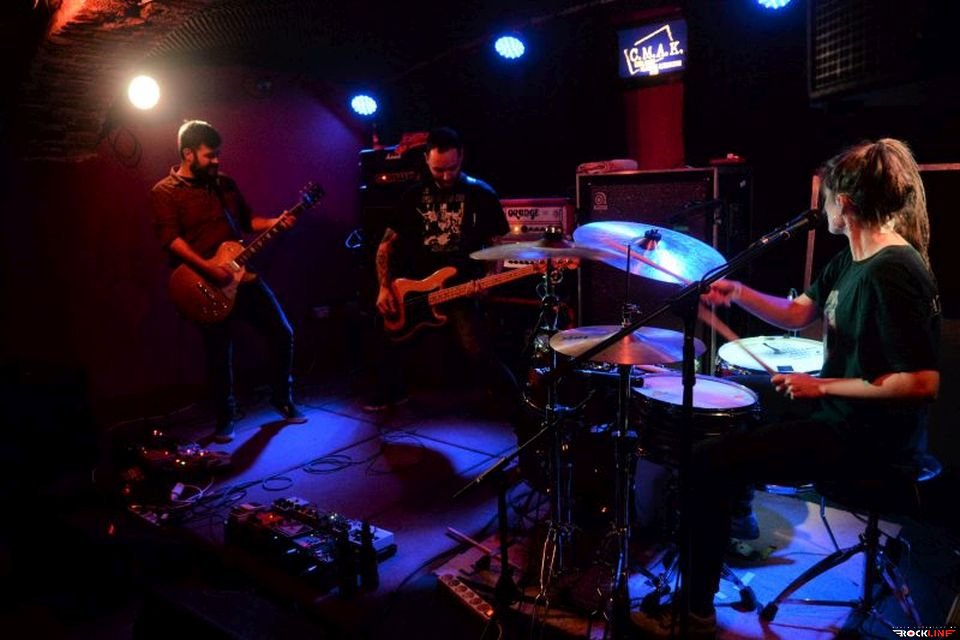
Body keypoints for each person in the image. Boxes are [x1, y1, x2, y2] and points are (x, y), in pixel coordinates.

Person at [630, 138, 941, 637]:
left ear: (845, 203)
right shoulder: (854, 258)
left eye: (827, 197)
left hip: (871, 439)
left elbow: (922, 382)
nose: (823, 207)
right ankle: (733, 521)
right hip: (840, 416)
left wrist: (824, 387)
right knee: (737, 418)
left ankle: (695, 610)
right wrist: (739, 292)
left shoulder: (893, 270)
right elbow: (799, 313)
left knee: (709, 463)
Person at [151, 120, 307, 443]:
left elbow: (247, 221)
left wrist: (275, 222)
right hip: (203, 282)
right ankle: (225, 417)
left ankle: (282, 398)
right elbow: (171, 240)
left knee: (282, 332)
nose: (217, 160)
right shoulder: (164, 192)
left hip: (241, 275)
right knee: (219, 352)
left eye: (218, 154)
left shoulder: (225, 184)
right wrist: (209, 269)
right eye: (210, 155)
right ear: (188, 154)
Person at [365, 126, 517, 412]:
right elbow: (385, 245)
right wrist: (383, 287)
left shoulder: (481, 193)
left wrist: (491, 276)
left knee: (477, 350)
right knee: (387, 334)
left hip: (460, 287)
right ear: (426, 159)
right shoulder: (412, 195)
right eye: (438, 170)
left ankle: (516, 405)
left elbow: (497, 243)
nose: (446, 176)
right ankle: (391, 392)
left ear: (462, 157)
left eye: (452, 168)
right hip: (416, 287)